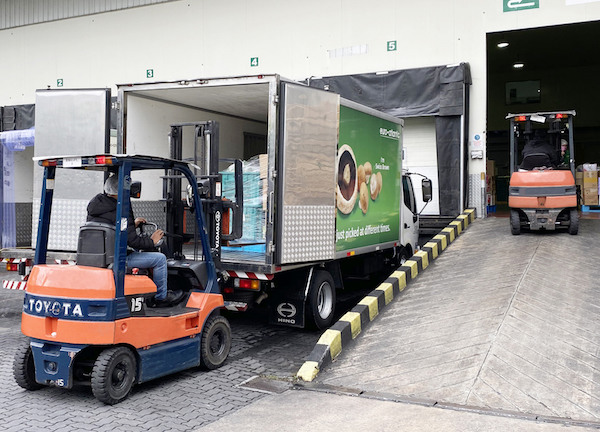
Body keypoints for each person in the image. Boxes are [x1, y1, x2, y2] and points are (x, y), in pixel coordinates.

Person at [87, 174, 176, 305]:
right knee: (160, 259)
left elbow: (112, 228)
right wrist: (152, 241)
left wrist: (132, 225)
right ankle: (160, 298)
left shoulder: (96, 207)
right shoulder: (121, 209)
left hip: (98, 257)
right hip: (117, 258)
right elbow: (134, 241)